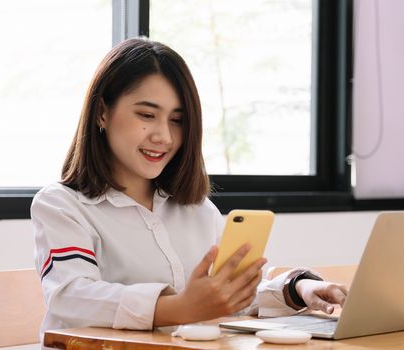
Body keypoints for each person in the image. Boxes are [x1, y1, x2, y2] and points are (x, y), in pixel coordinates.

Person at [31, 37, 347, 336]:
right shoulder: (62, 205)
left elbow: (233, 297)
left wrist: (299, 288)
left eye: (177, 120)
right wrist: (179, 308)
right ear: (102, 111)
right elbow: (71, 297)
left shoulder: (196, 209)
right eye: (146, 114)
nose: (164, 137)